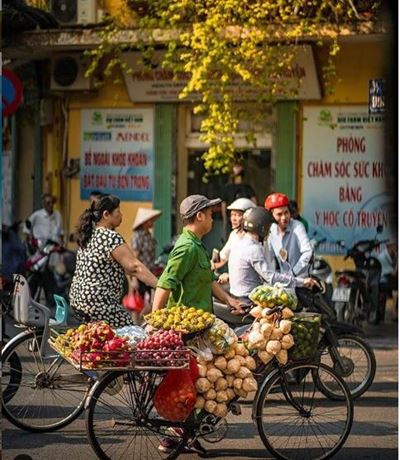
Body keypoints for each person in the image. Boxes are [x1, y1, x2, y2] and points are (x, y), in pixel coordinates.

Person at [69, 194, 158, 328]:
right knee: (131, 333)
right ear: (106, 214)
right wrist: (160, 285)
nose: (121, 215)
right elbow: (134, 266)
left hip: (78, 299)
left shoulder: (88, 235)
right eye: (118, 212)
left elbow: (126, 268)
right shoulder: (110, 237)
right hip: (99, 303)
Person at [152, 194, 245, 315]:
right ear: (200, 216)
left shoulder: (197, 245)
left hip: (202, 322)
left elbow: (209, 279)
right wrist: (154, 320)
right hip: (185, 324)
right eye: (210, 214)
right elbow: (165, 284)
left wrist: (229, 300)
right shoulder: (187, 248)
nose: (212, 219)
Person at [226, 207, 317, 299]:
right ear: (261, 227)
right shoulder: (253, 248)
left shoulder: (240, 242)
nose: (269, 231)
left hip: (237, 295)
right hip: (248, 300)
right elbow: (270, 277)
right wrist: (302, 282)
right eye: (268, 227)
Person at [264, 192, 313, 278]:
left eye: (286, 212)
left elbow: (308, 252)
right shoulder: (271, 230)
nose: (284, 217)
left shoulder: (297, 226)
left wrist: (293, 273)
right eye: (279, 214)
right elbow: (269, 258)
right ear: (271, 216)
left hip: (301, 282)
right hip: (283, 282)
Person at [213, 197, 256, 276]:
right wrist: (208, 267)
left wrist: (229, 276)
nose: (233, 219)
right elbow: (223, 257)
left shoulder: (255, 238)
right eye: (232, 215)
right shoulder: (234, 235)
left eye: (238, 215)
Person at [130, 207, 162, 310]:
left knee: (148, 302)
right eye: (150, 220)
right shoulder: (137, 236)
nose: (152, 222)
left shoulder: (148, 234)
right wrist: (134, 279)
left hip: (149, 272)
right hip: (140, 273)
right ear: (144, 222)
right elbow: (135, 257)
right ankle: (136, 324)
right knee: (137, 302)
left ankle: (142, 323)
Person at [221, 161, 257, 238]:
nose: (237, 169)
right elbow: (223, 204)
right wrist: (224, 220)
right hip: (230, 220)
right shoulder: (228, 188)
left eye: (239, 167)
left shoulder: (247, 188)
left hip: (246, 220)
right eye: (235, 167)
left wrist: (253, 218)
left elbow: (254, 203)